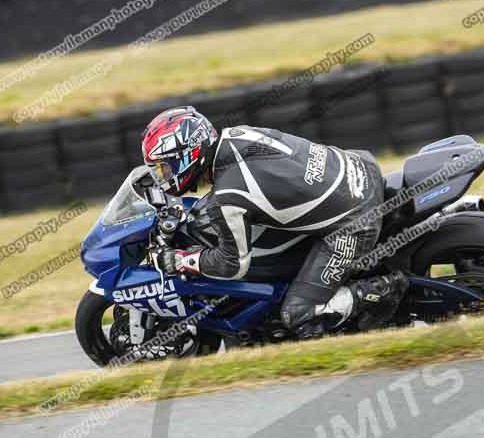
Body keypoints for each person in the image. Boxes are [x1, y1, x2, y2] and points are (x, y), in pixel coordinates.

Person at [142, 106, 408, 339]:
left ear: (188, 154)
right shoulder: (237, 135)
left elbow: (232, 264)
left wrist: (180, 260)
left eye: (164, 168)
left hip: (355, 220)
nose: (162, 177)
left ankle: (383, 289)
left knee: (299, 314)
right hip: (360, 167)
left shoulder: (228, 197)